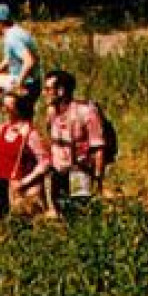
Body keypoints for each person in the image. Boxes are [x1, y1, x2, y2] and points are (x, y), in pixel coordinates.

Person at [0, 92, 51, 241]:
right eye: (3, 105)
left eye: (8, 106)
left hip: (18, 185)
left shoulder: (30, 133)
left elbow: (45, 162)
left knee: (15, 228)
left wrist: (25, 181)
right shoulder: (4, 129)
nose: (4, 110)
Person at [43, 69, 106, 212]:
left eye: (48, 89)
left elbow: (98, 147)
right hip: (58, 173)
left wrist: (97, 178)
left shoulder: (86, 112)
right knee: (61, 212)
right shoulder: (52, 113)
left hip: (79, 172)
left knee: (79, 212)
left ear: (61, 91)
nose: (44, 93)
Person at [0, 3, 41, 123]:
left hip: (28, 83)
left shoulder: (12, 38)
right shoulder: (17, 32)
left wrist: (19, 85)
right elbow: (10, 58)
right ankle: (0, 119)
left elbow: (29, 61)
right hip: (33, 81)